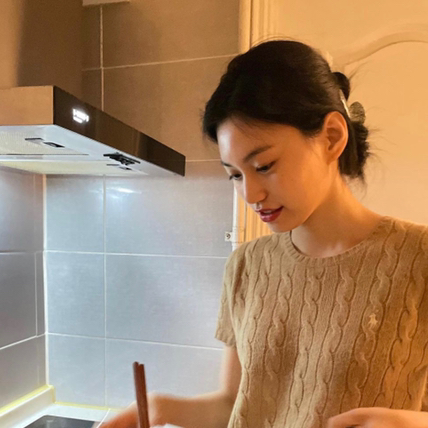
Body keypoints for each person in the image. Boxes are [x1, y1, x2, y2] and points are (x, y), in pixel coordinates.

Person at [101, 40, 428, 428]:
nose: (250, 195)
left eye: (264, 165)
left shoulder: (418, 259)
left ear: (332, 137)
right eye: (235, 175)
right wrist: (158, 408)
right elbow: (234, 403)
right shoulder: (247, 264)